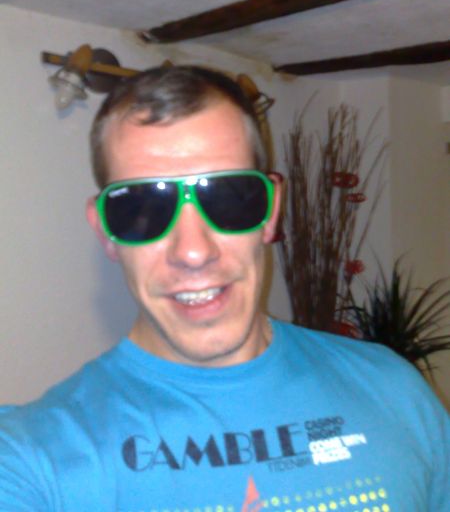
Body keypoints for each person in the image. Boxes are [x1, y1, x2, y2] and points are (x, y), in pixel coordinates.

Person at [0, 66, 448, 511]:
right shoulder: (32, 458)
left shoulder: (395, 391)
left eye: (229, 198)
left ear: (271, 211)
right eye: (143, 208)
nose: (193, 251)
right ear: (106, 231)